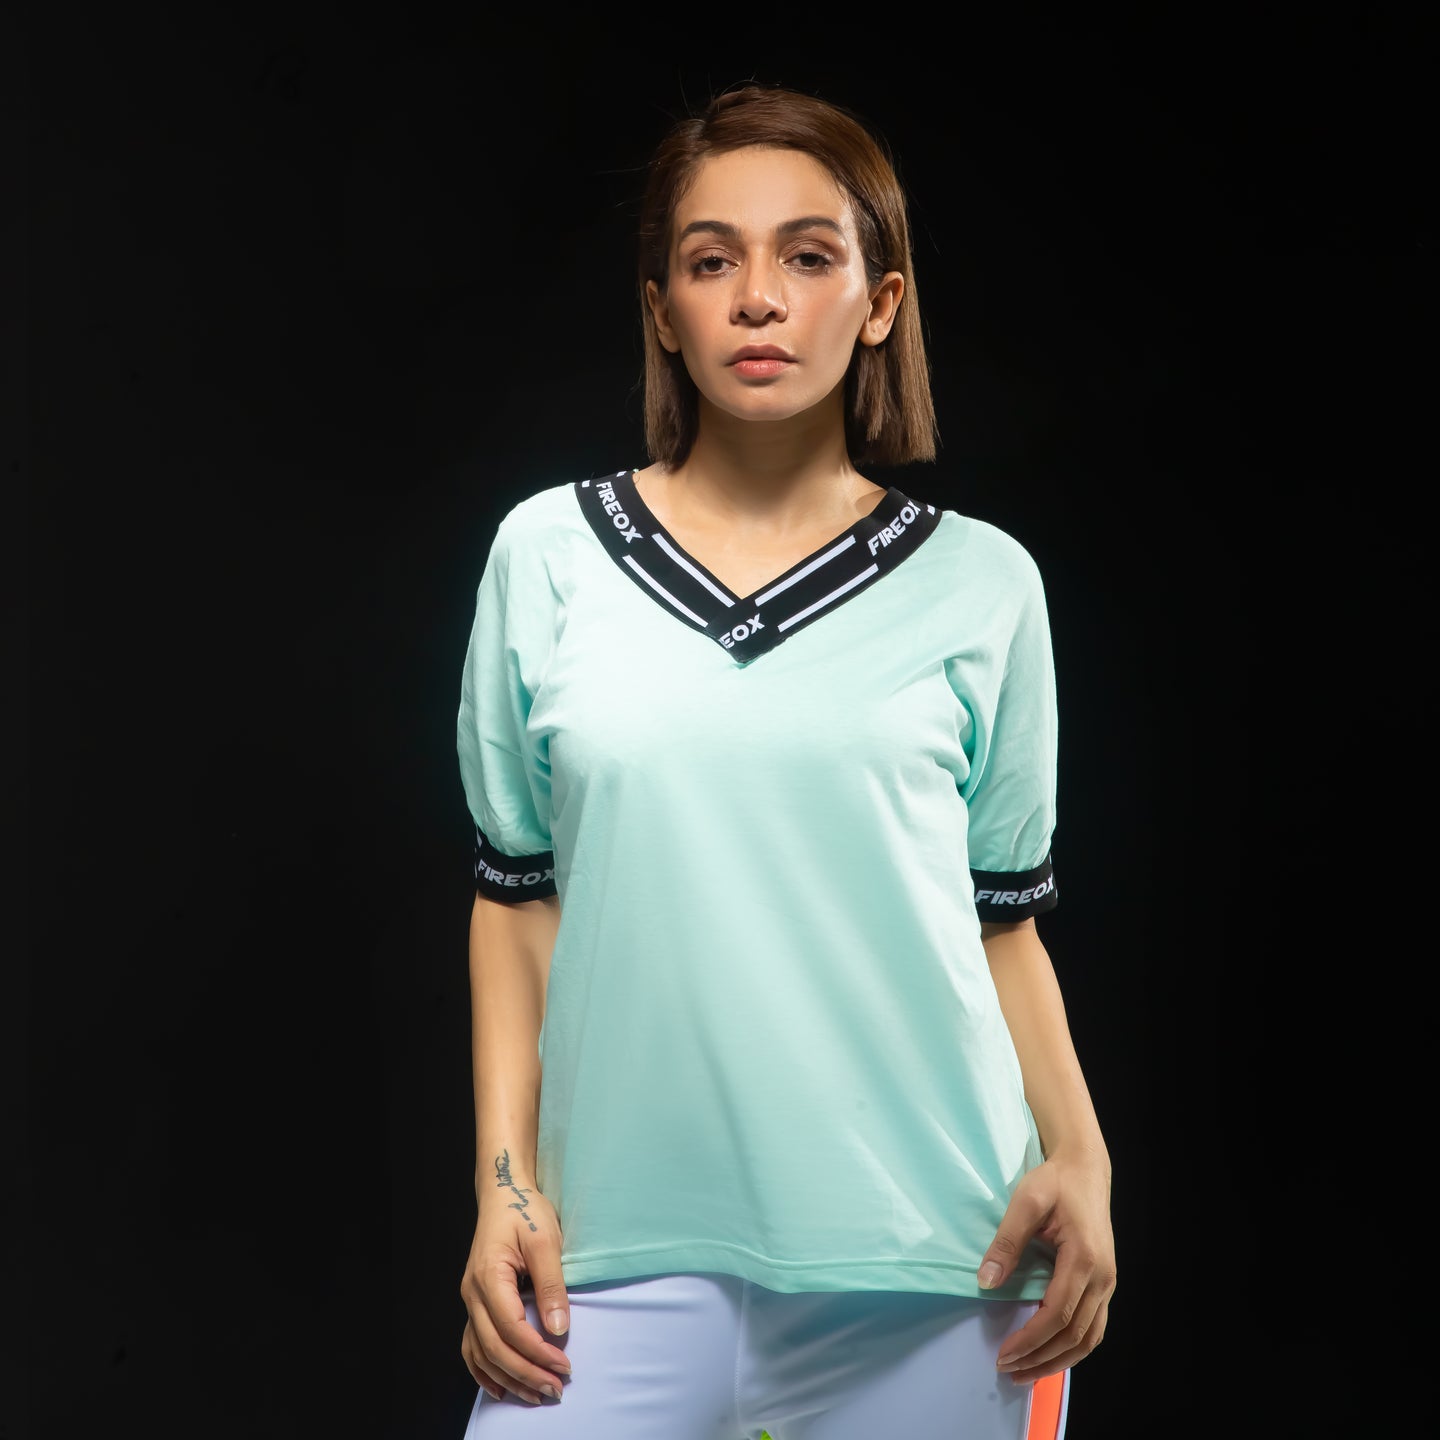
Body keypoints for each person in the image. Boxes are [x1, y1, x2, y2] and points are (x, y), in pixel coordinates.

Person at [453, 82, 1115, 1440]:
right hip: (611, 1267)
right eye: (713, 262)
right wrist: (505, 1193)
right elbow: (516, 903)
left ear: (879, 301)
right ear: (663, 311)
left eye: (808, 256)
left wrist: (1085, 1158)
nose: (759, 298)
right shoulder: (548, 555)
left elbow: (1001, 923)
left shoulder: (985, 584)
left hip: (942, 1271)